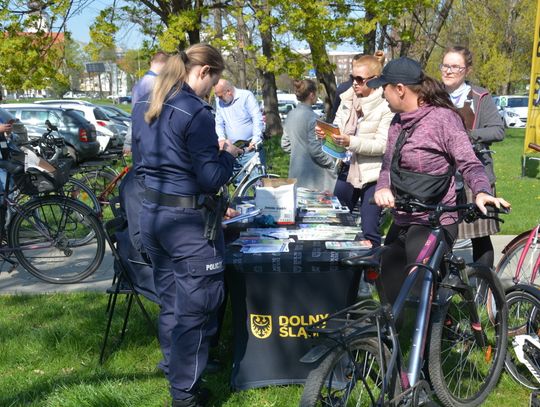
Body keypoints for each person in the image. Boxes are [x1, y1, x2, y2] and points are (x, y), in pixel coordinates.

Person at [131, 44, 242, 407]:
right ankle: (185, 394)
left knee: (173, 303)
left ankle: (174, 369)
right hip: (186, 225)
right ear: (204, 71)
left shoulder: (149, 103)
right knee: (197, 308)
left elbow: (143, 162)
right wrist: (227, 154)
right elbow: (210, 178)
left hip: (154, 215)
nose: (213, 88)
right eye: (214, 80)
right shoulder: (194, 111)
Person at [366, 57, 510, 305]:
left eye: (385, 88)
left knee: (420, 286)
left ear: (400, 89)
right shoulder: (397, 123)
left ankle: (431, 337)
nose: (382, 95)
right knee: (387, 285)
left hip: (435, 220)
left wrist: (481, 191)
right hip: (403, 217)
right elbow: (387, 166)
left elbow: (470, 162)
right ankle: (391, 341)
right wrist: (383, 188)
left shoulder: (443, 120)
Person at [440, 46, 505, 269]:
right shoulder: (434, 96)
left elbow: (498, 130)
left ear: (466, 70)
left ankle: (484, 288)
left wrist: (468, 136)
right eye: (445, 65)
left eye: (455, 67)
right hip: (441, 175)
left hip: (474, 174)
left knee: (480, 234)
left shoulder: (480, 97)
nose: (448, 71)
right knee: (443, 236)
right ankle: (441, 292)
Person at [328, 54, 393, 247]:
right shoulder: (347, 100)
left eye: (359, 80)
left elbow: (382, 145)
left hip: (373, 175)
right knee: (337, 223)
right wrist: (327, 135)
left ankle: (373, 274)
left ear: (374, 80)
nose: (354, 84)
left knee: (370, 229)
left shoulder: (386, 106)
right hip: (347, 169)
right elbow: (337, 126)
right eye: (352, 78)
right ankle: (342, 270)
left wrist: (350, 141)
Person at [281, 79, 337, 191]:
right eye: (316, 94)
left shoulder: (291, 114)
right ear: (312, 95)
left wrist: (299, 153)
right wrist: (330, 163)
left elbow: (285, 144)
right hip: (313, 177)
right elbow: (315, 150)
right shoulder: (313, 118)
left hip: (295, 172)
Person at [214, 79, 265, 182]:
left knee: (258, 183)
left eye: (220, 96)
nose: (219, 99)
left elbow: (257, 117)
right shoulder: (219, 101)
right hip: (233, 148)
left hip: (250, 147)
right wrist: (221, 138)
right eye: (217, 96)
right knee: (238, 183)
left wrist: (255, 139)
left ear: (229, 91)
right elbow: (218, 123)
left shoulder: (246, 96)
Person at [124, 51, 170, 155]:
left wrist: (129, 141)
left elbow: (134, 115)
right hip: (151, 138)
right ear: (164, 65)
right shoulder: (155, 84)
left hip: (141, 137)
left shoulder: (139, 84)